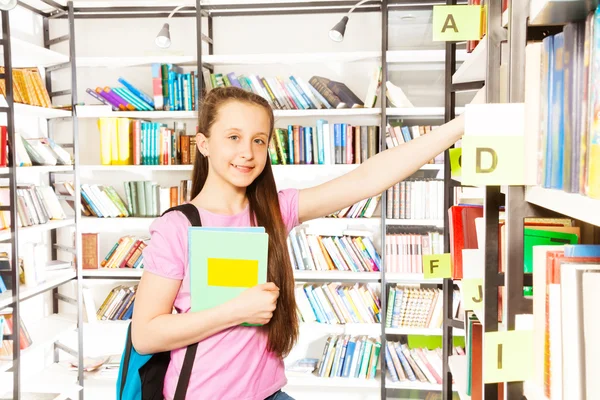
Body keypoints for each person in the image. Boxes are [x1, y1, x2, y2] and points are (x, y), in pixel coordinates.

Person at [132, 85, 481, 400]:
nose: (248, 153)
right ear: (204, 144)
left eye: (258, 140)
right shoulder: (178, 226)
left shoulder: (275, 211)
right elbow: (145, 335)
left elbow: (370, 177)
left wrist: (462, 124)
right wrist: (236, 311)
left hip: (269, 393)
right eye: (233, 137)